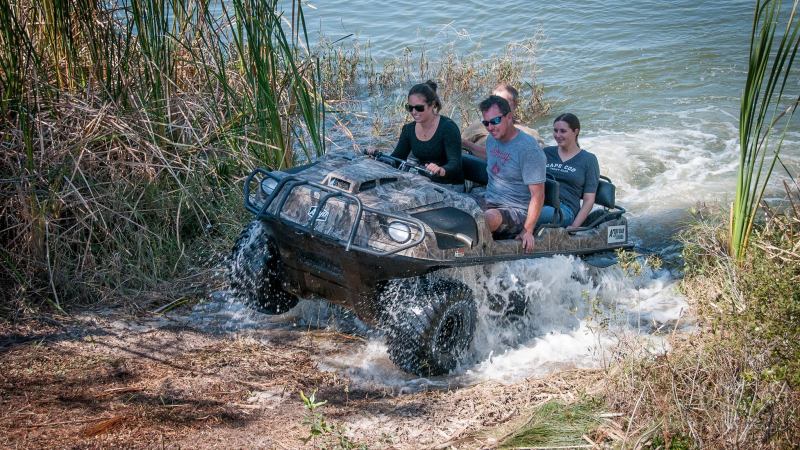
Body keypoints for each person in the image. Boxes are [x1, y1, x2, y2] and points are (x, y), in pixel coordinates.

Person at [477, 95, 546, 253]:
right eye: (486, 123)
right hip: (490, 200)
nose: (490, 127)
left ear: (509, 117)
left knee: (489, 218)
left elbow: (538, 195)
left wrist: (528, 230)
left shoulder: (528, 149)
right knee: (453, 204)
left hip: (516, 211)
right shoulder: (491, 140)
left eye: (494, 121)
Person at [381, 80, 464, 187]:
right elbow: (396, 159)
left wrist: (441, 170)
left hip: (449, 184)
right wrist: (377, 157)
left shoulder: (448, 127)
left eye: (419, 108)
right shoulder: (408, 129)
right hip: (424, 182)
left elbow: (456, 164)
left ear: (432, 105)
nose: (414, 112)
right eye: (410, 108)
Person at [537, 113, 600, 229]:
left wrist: (575, 226)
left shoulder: (589, 160)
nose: (557, 135)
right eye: (555, 130)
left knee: (529, 215)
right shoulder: (546, 153)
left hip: (564, 210)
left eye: (563, 131)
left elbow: (589, 199)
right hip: (539, 202)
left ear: (575, 132)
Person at [462, 83, 544, 158]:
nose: (496, 107)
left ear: (514, 104)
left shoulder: (530, 134)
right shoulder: (476, 128)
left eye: (503, 103)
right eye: (494, 101)